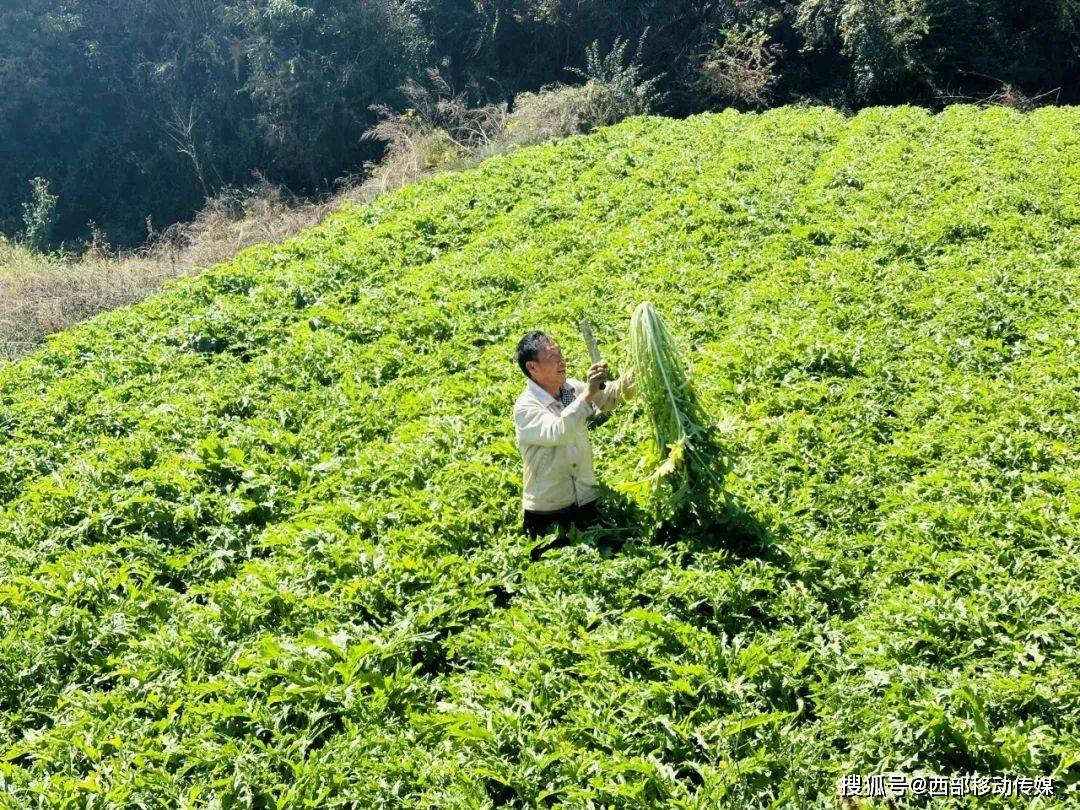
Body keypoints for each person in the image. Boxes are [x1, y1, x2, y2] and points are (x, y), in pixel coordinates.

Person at [513, 330, 637, 540]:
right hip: (549, 513)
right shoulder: (526, 407)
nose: (561, 360)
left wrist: (640, 370)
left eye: (559, 353)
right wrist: (588, 393)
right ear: (532, 367)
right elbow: (558, 431)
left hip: (586, 501)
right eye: (552, 356)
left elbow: (608, 397)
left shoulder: (569, 390)